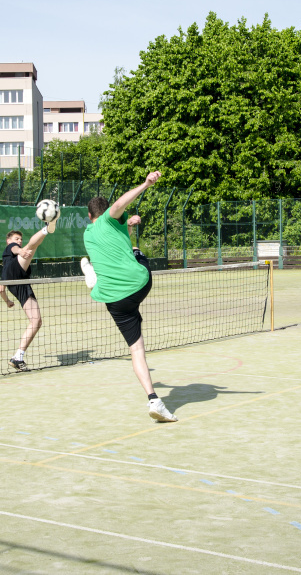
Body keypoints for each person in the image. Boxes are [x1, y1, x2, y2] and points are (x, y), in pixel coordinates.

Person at [83, 170, 177, 423]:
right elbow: (118, 206)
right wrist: (146, 184)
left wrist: (129, 224)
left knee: (136, 350)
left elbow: (114, 228)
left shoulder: (88, 233)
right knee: (137, 253)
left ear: (89, 216)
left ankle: (154, 399)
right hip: (137, 284)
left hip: (113, 299)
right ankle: (102, 273)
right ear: (104, 213)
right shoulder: (109, 217)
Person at [0, 218, 56, 371]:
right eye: (16, 239)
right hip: (16, 275)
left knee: (36, 321)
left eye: (20, 239)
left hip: (19, 285)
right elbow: (14, 249)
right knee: (31, 247)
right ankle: (47, 228)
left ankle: (18, 357)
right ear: (8, 240)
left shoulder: (5, 266)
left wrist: (7, 301)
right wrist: (20, 250)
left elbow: (0, 289)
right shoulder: (11, 248)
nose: (19, 241)